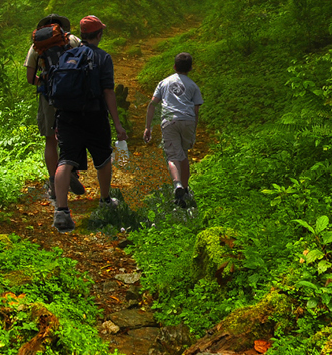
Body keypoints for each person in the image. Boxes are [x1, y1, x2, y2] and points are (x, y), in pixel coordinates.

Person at [51, 15, 127, 232]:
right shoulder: (103, 58)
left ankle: (61, 212)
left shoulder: (67, 54)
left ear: (82, 35)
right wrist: (118, 124)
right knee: (102, 158)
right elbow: (108, 92)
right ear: (99, 35)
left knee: (66, 160)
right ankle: (105, 200)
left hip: (66, 116)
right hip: (94, 115)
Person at [26, 14, 85, 200]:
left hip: (48, 97)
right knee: (73, 134)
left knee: (50, 140)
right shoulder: (72, 40)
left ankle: (54, 182)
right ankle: (71, 172)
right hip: (73, 96)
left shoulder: (36, 46)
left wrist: (45, 82)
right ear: (61, 27)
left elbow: (29, 78)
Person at [143, 52, 204, 207]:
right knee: (183, 154)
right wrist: (194, 130)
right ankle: (185, 189)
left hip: (169, 121)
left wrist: (147, 127)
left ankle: (177, 184)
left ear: (174, 66)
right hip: (188, 121)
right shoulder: (193, 86)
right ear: (190, 68)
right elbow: (196, 111)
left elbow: (152, 105)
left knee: (172, 157)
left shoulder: (164, 82)